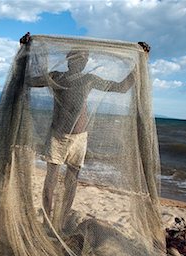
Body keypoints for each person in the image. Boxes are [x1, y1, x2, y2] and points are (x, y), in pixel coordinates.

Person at [24, 34, 150, 231]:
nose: (80, 61)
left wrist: (140, 63)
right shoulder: (57, 76)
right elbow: (30, 81)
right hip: (58, 136)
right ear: (68, 60)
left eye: (83, 58)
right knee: (51, 180)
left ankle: (61, 219)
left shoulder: (88, 79)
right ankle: (47, 220)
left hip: (80, 138)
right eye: (76, 58)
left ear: (86, 62)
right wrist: (26, 49)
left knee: (71, 181)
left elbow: (122, 87)